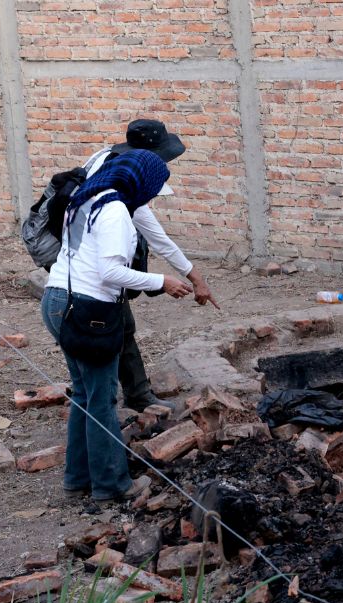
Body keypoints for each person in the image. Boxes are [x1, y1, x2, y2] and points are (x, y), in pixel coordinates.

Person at [41, 150, 194, 504]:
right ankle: (112, 485)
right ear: (140, 183)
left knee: (84, 395)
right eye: (154, 189)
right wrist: (162, 281)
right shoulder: (114, 212)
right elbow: (110, 271)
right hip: (85, 309)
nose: (153, 196)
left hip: (58, 301)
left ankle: (77, 480)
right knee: (102, 400)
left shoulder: (85, 199)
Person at [83, 119, 219, 411]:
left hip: (80, 261)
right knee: (116, 326)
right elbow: (155, 241)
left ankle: (113, 394)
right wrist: (169, 281)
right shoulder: (119, 198)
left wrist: (196, 279)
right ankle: (124, 399)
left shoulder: (109, 164)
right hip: (88, 272)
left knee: (116, 327)